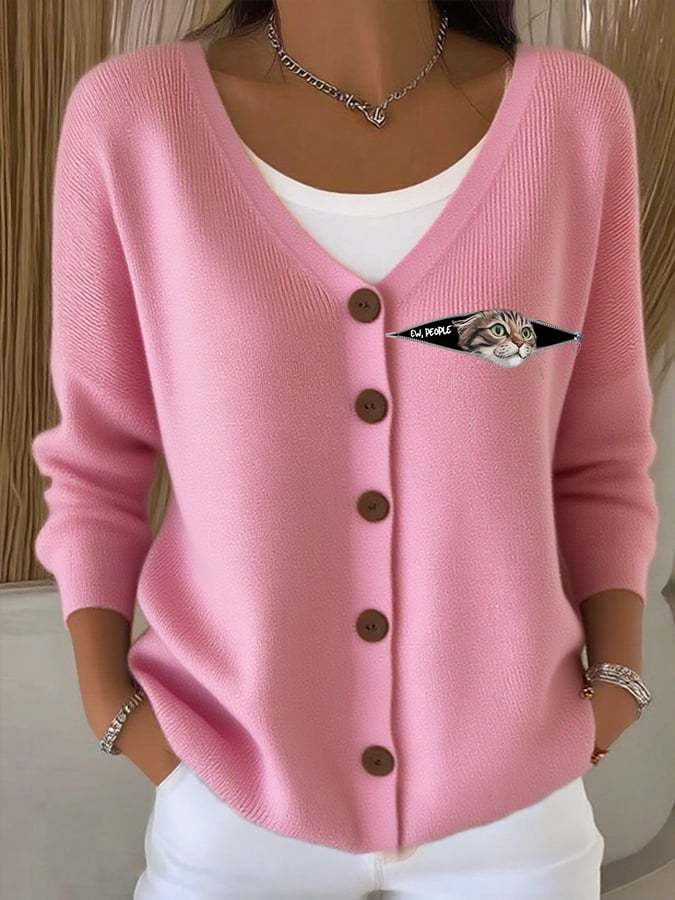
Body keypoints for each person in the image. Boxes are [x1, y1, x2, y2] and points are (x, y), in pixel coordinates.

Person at [31, 1, 659, 897]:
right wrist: (116, 711)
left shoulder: (572, 117)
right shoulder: (135, 122)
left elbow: (599, 448)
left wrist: (617, 683)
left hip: (516, 808)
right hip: (233, 795)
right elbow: (96, 462)